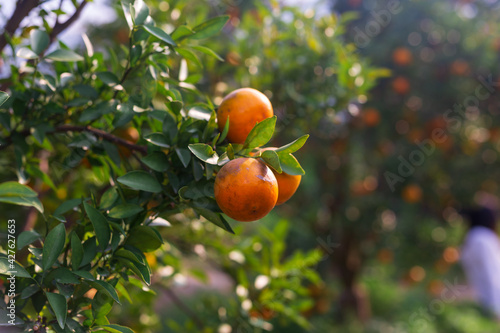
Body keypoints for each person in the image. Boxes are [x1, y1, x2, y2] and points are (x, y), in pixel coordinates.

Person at [460, 206, 500, 319]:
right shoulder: (483, 238)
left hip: (484, 299)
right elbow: (492, 273)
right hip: (493, 299)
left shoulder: (473, 237)